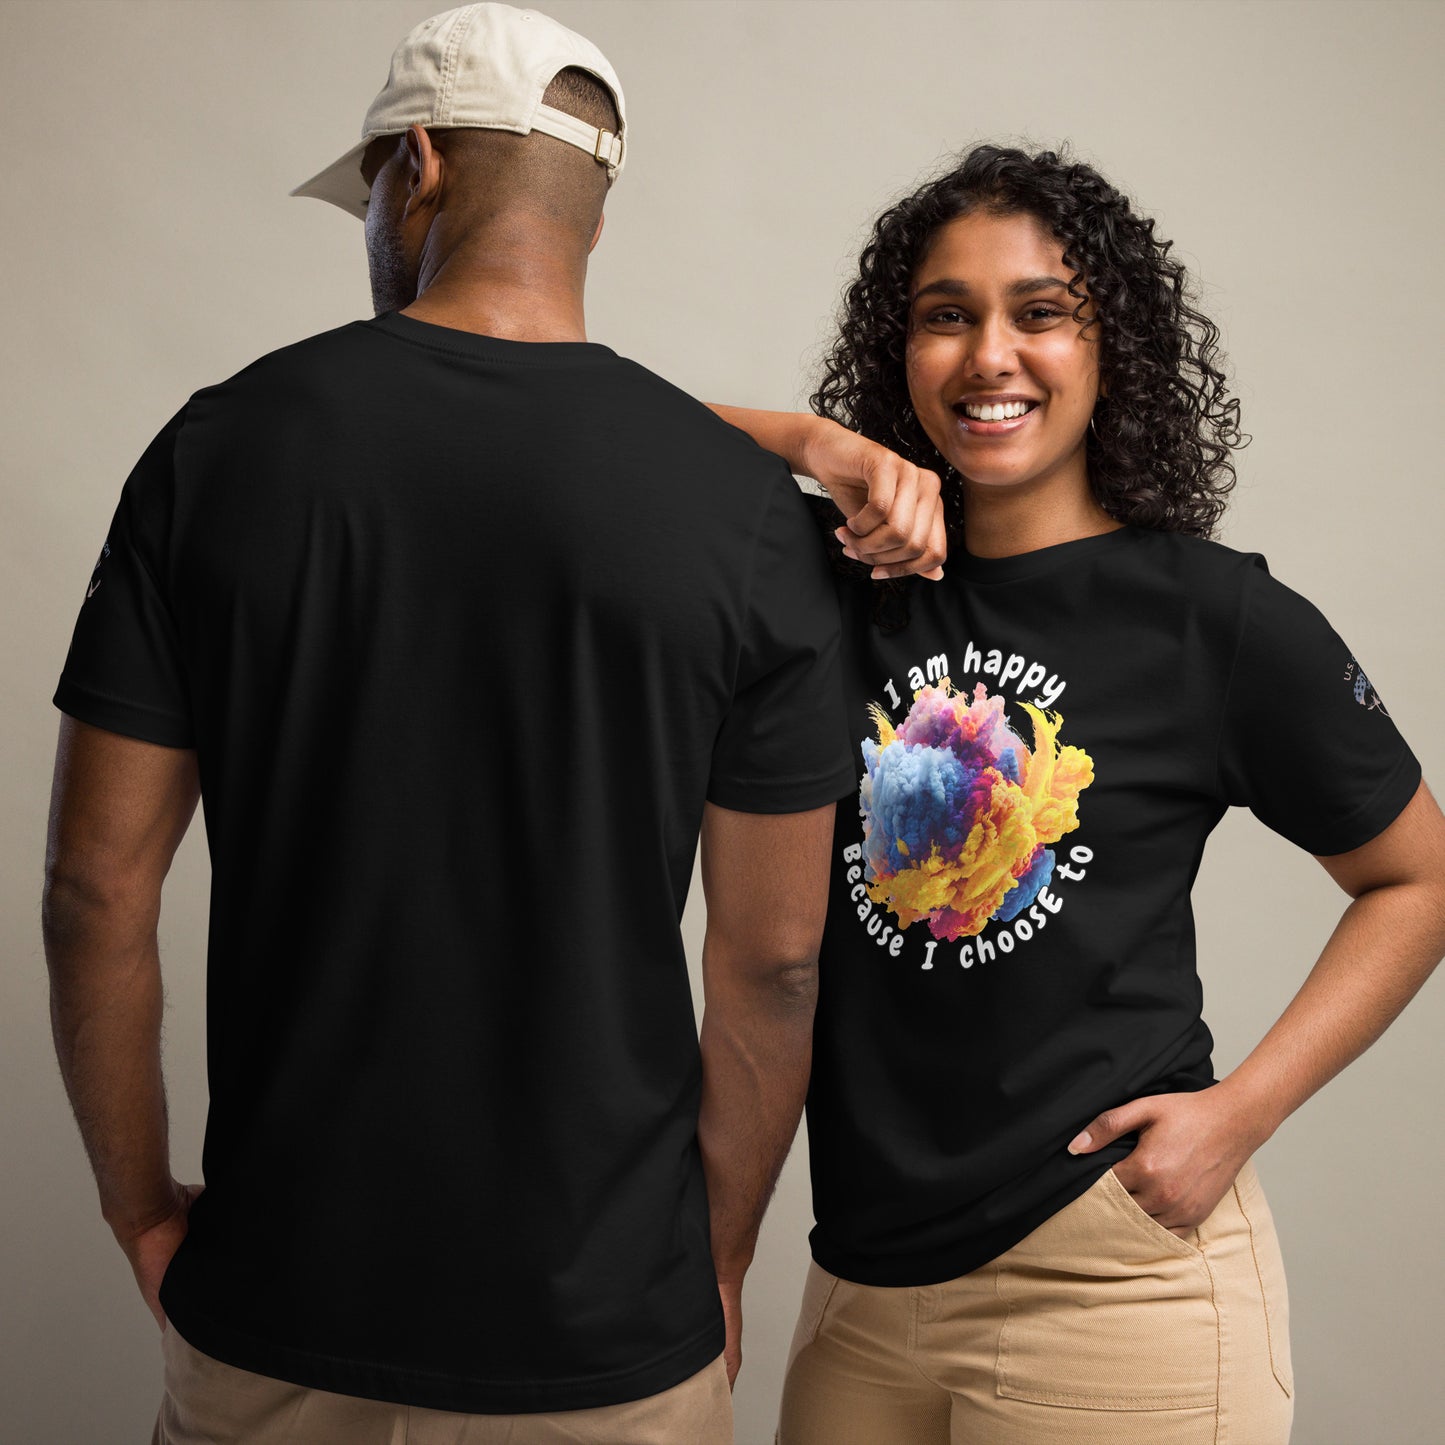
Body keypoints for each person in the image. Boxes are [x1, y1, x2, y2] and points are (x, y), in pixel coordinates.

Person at [42, 5, 854, 1442]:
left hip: (278, 1305)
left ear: (412, 169)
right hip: (607, 1339)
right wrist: (713, 1262)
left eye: (365, 190)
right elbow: (773, 963)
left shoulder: (219, 451)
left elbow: (94, 889)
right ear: (595, 209)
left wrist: (139, 1209)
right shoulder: (744, 522)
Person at [711, 143, 1445, 1443]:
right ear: (901, 348)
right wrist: (815, 443)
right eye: (947, 315)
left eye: (1039, 312)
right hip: (860, 1287)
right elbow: (593, 433)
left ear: (1114, 349)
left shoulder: (1209, 617)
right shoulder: (827, 589)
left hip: (1108, 1283)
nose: (990, 354)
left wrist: (1243, 1108)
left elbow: (1418, 876)